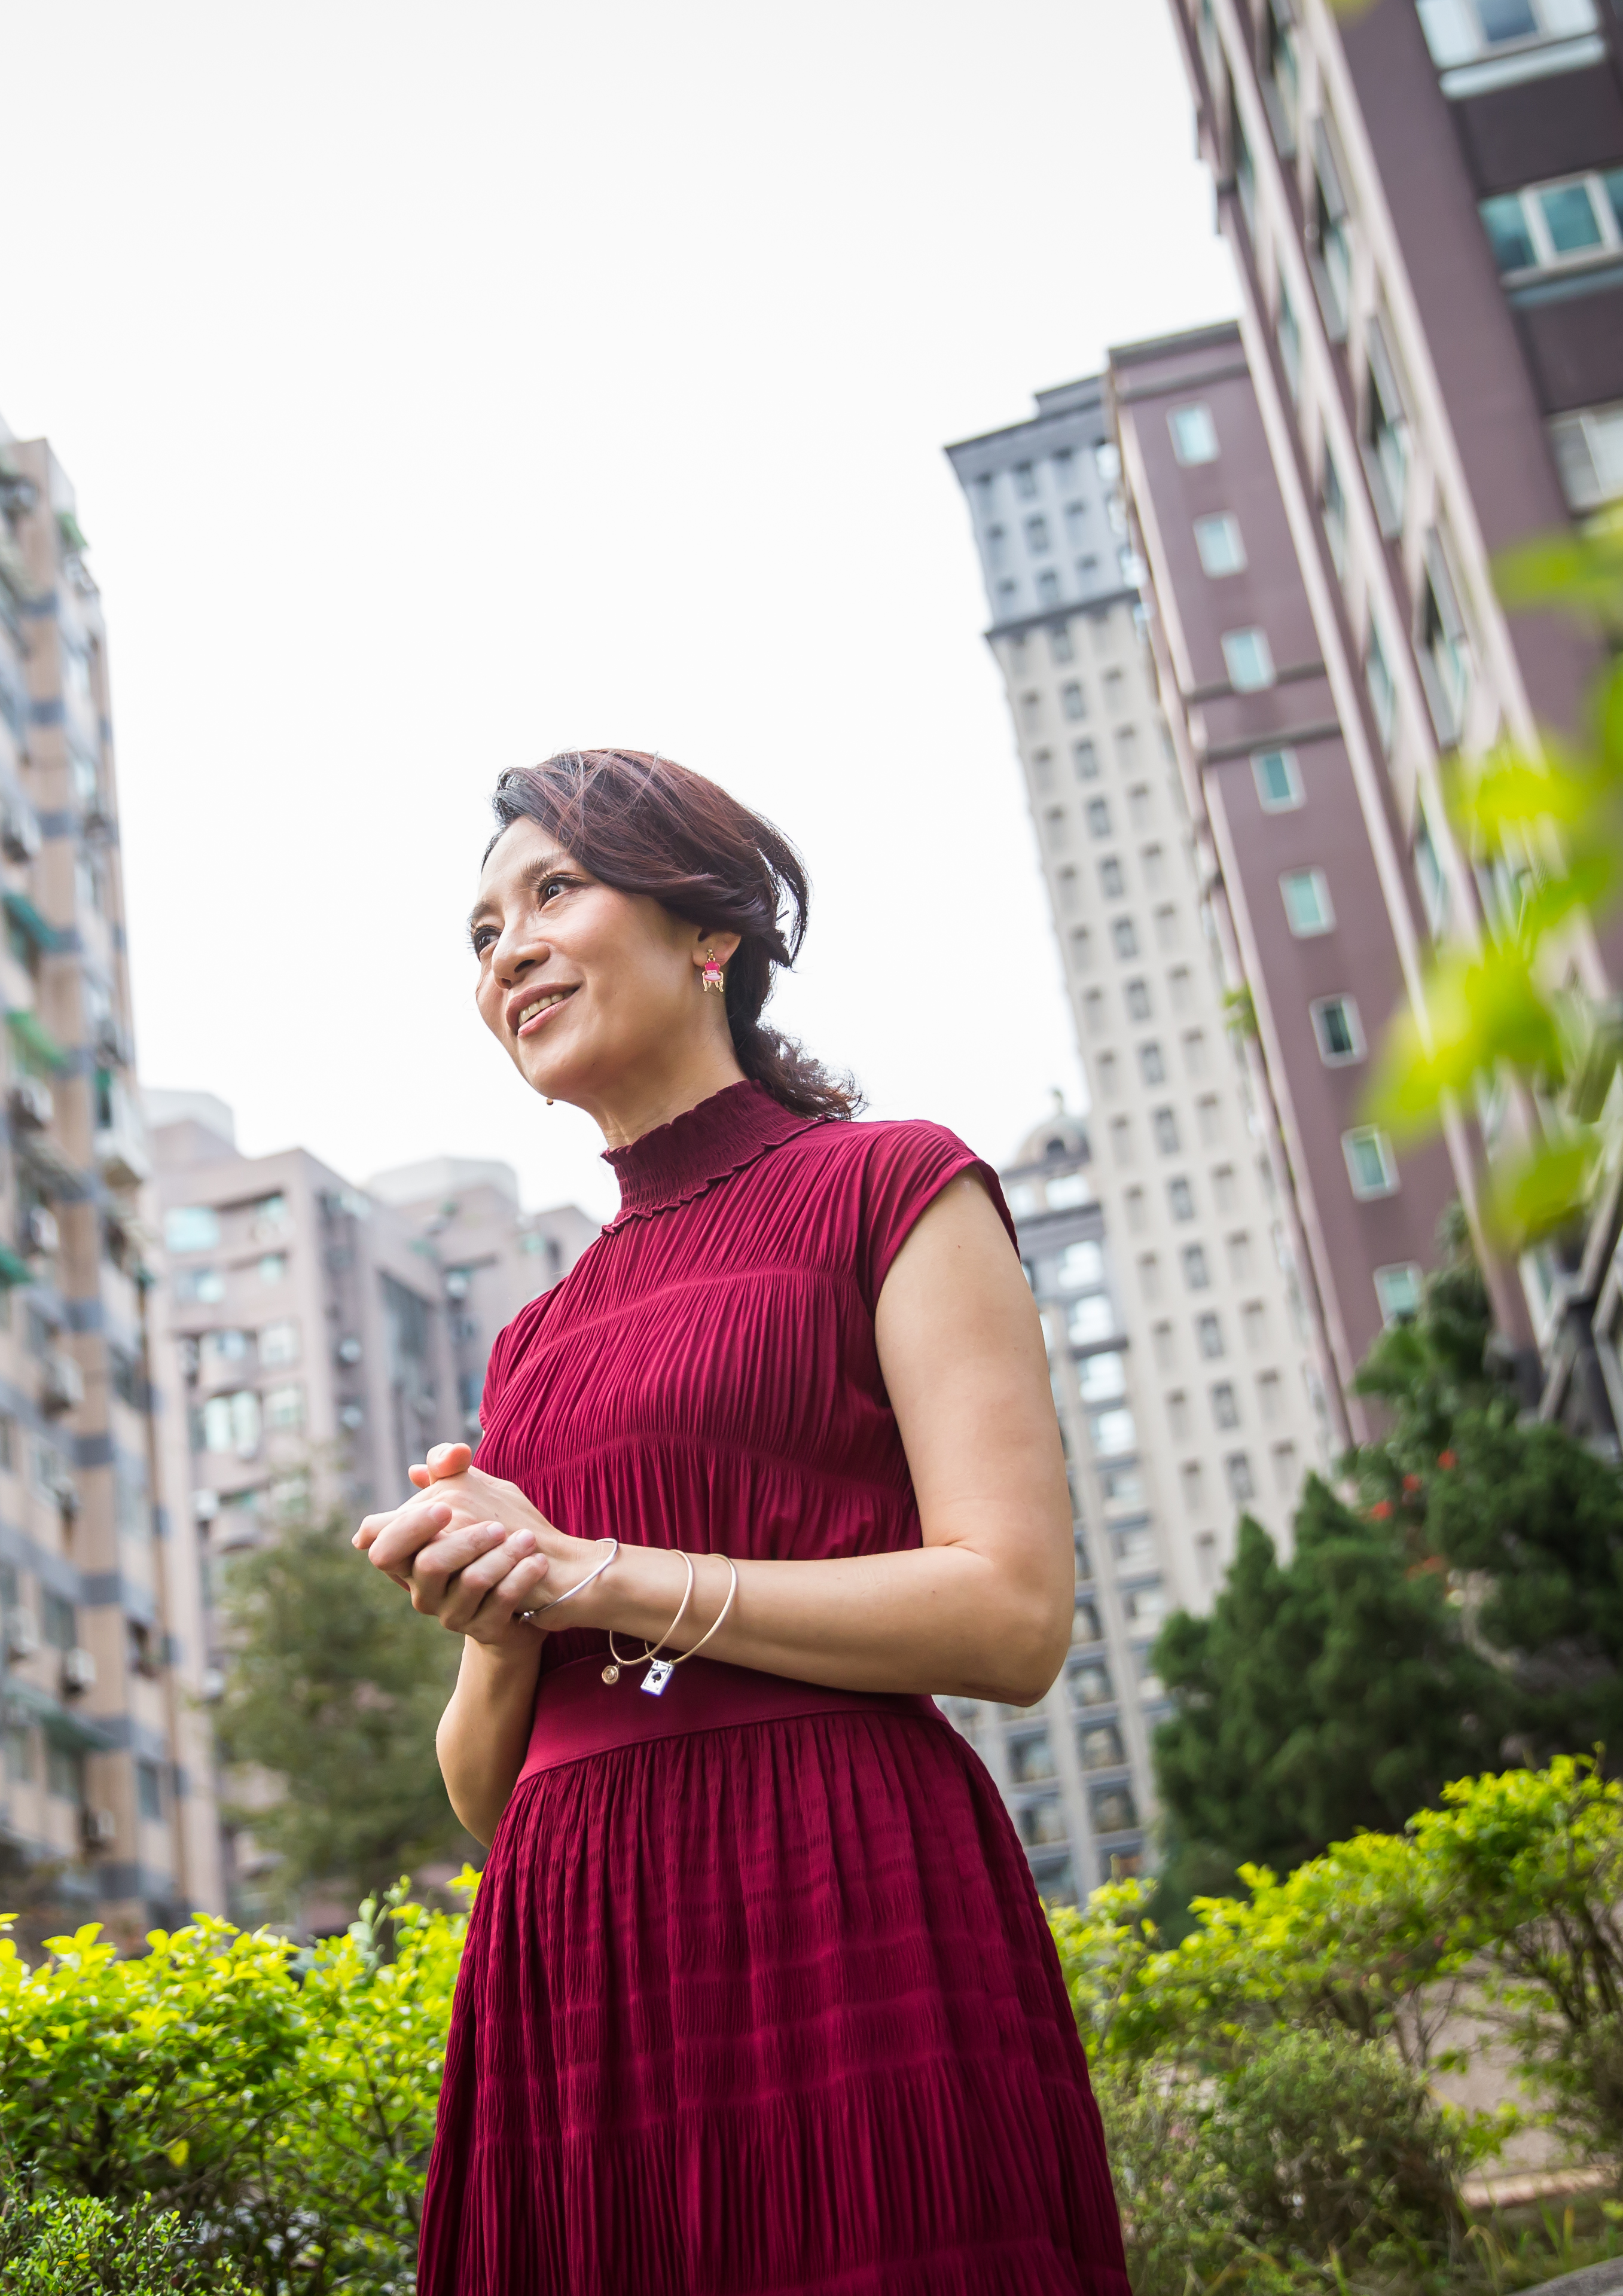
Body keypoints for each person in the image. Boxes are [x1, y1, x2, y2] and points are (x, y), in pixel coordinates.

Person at [358, 749, 1129, 2294]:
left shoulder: (894, 1188)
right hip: (572, 1944)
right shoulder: (533, 1339)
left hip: (835, 1878)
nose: (507, 948)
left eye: (553, 892)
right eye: (479, 931)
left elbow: (1011, 1619)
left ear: (708, 934)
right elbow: (482, 1792)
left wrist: (599, 1571)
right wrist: (506, 1615)